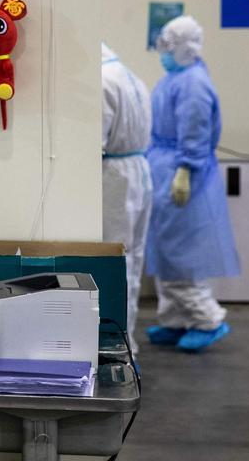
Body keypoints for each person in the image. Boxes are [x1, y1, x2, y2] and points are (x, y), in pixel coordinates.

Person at [144, 17, 240, 352]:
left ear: (184, 47)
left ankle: (208, 319)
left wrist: (185, 168)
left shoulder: (193, 83)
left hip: (182, 173)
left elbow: (195, 131)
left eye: (168, 47)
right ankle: (175, 319)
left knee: (182, 253)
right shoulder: (176, 78)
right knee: (166, 249)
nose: (163, 53)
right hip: (164, 169)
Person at [101, 42, 153, 339]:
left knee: (113, 261)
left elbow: (95, 141)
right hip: (139, 171)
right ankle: (127, 338)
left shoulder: (103, 81)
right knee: (131, 259)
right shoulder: (130, 76)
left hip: (115, 180)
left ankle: (116, 341)